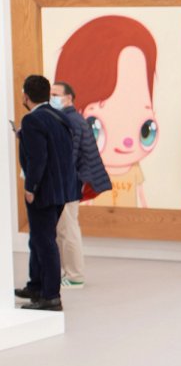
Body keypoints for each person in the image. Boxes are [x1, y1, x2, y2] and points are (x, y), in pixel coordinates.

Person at [54, 15, 160, 208]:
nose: (126, 142)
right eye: (95, 128)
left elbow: (141, 195)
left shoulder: (134, 169)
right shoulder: (89, 168)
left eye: (146, 128)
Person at [14, 75, 76, 311]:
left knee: (45, 241)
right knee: (39, 238)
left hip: (42, 191)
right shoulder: (58, 116)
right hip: (61, 189)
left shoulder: (32, 121)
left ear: (25, 96)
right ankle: (36, 285)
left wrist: (31, 187)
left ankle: (50, 296)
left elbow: (39, 159)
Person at [50, 81, 112, 289]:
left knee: (68, 230)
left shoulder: (71, 121)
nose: (52, 97)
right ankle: (69, 273)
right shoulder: (69, 118)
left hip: (69, 182)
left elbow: (69, 155)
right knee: (65, 229)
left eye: (55, 94)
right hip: (70, 182)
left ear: (68, 98)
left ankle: (75, 275)